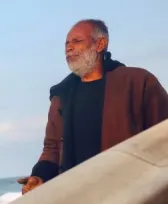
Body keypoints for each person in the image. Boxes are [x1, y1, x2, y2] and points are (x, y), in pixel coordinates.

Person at [19, 19, 168, 195]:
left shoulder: (136, 82)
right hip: (75, 198)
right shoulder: (61, 95)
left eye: (77, 41)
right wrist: (39, 176)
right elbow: (51, 149)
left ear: (100, 44)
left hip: (130, 193)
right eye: (66, 43)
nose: (69, 47)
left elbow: (163, 134)